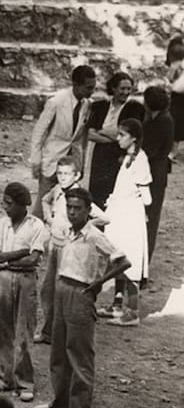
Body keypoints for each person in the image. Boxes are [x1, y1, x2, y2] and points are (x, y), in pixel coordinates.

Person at [33, 188, 131, 408]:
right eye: (70, 207)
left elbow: (123, 261)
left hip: (81, 292)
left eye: (78, 208)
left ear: (88, 211)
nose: (73, 212)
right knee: (59, 349)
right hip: (62, 288)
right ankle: (60, 402)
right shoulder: (68, 232)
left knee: (79, 354)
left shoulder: (94, 235)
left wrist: (99, 283)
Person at [0, 182, 48, 401]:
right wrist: (19, 253)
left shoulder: (36, 225)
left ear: (23, 205)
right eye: (4, 202)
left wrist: (7, 259)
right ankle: (5, 377)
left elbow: (33, 259)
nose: (5, 207)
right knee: (2, 329)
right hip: (3, 280)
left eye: (9, 203)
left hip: (25, 280)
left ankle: (24, 382)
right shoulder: (1, 224)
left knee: (24, 331)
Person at [35, 158, 107, 343]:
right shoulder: (58, 190)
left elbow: (104, 218)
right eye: (59, 173)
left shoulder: (79, 195)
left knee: (64, 290)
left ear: (77, 175)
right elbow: (45, 199)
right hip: (54, 245)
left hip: (70, 248)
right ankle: (47, 331)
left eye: (67, 174)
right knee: (48, 289)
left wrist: (85, 225)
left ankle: (62, 332)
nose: (62, 177)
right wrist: (48, 218)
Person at [100, 119, 153, 327]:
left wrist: (129, 200)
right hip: (121, 214)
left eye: (122, 135)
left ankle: (132, 312)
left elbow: (147, 197)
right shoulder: (128, 158)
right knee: (118, 256)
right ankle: (116, 304)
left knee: (129, 260)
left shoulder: (140, 160)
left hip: (130, 216)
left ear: (134, 137)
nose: (118, 138)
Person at [28, 65, 96, 213]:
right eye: (88, 88)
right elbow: (39, 132)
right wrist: (36, 160)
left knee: (67, 207)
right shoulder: (56, 102)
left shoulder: (87, 105)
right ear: (76, 85)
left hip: (72, 165)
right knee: (43, 206)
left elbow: (82, 138)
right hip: (52, 161)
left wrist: (81, 164)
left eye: (93, 87)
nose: (91, 92)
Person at [84, 71, 142, 208]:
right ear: (114, 88)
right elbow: (90, 134)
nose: (126, 92)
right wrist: (115, 137)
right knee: (96, 193)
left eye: (129, 89)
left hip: (118, 156)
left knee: (114, 193)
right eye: (122, 88)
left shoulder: (134, 108)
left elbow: (129, 134)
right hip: (99, 156)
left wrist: (102, 132)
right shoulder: (100, 106)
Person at [141, 84, 174, 264]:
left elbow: (151, 149)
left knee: (150, 218)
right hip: (153, 167)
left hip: (155, 169)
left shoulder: (163, 120)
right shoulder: (154, 118)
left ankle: (144, 262)